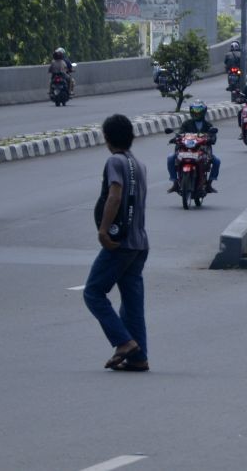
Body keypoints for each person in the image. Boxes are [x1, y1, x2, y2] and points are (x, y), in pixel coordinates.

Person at [84, 113, 150, 373]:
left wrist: (103, 231)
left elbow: (115, 195)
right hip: (140, 243)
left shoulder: (115, 162)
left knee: (93, 292)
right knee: (133, 302)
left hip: (120, 243)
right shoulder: (139, 163)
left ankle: (123, 342)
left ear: (108, 138)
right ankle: (139, 357)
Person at [167, 101, 220, 193]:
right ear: (191, 111)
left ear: (203, 111)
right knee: (170, 158)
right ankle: (175, 183)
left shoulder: (208, 125)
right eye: (195, 110)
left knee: (216, 161)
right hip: (186, 150)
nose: (197, 113)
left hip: (202, 151)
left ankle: (209, 184)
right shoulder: (186, 123)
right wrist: (175, 138)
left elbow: (213, 136)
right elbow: (180, 133)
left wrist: (210, 139)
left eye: (199, 110)